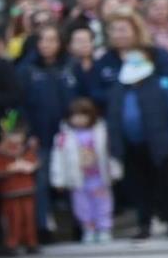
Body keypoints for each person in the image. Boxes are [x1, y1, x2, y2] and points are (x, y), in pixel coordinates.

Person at [97, 8, 168, 238]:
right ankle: (144, 222)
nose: (118, 34)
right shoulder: (107, 61)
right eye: (114, 30)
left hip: (156, 131)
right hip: (126, 137)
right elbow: (94, 90)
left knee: (164, 179)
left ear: (135, 29)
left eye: (123, 29)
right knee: (137, 182)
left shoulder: (155, 54)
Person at [18, 24, 75, 240]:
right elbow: (20, 104)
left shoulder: (69, 66)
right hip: (39, 134)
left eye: (52, 40)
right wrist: (26, 132)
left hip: (69, 134)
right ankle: (43, 226)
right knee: (40, 182)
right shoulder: (27, 70)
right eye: (42, 40)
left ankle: (78, 224)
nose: (47, 45)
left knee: (70, 177)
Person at [51, 98, 119, 243]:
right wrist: (58, 179)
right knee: (82, 206)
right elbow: (58, 159)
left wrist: (114, 170)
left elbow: (110, 153)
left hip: (99, 177)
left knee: (103, 204)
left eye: (83, 115)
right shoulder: (64, 136)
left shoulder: (101, 132)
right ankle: (89, 228)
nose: (79, 119)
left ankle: (104, 228)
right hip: (78, 178)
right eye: (75, 116)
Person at [0, 113, 43, 256]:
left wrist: (30, 166)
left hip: (27, 190)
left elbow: (34, 162)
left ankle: (31, 242)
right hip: (9, 192)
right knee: (13, 220)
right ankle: (12, 244)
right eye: (12, 135)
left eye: (19, 135)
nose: (16, 139)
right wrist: (11, 168)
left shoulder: (26, 149)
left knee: (29, 218)